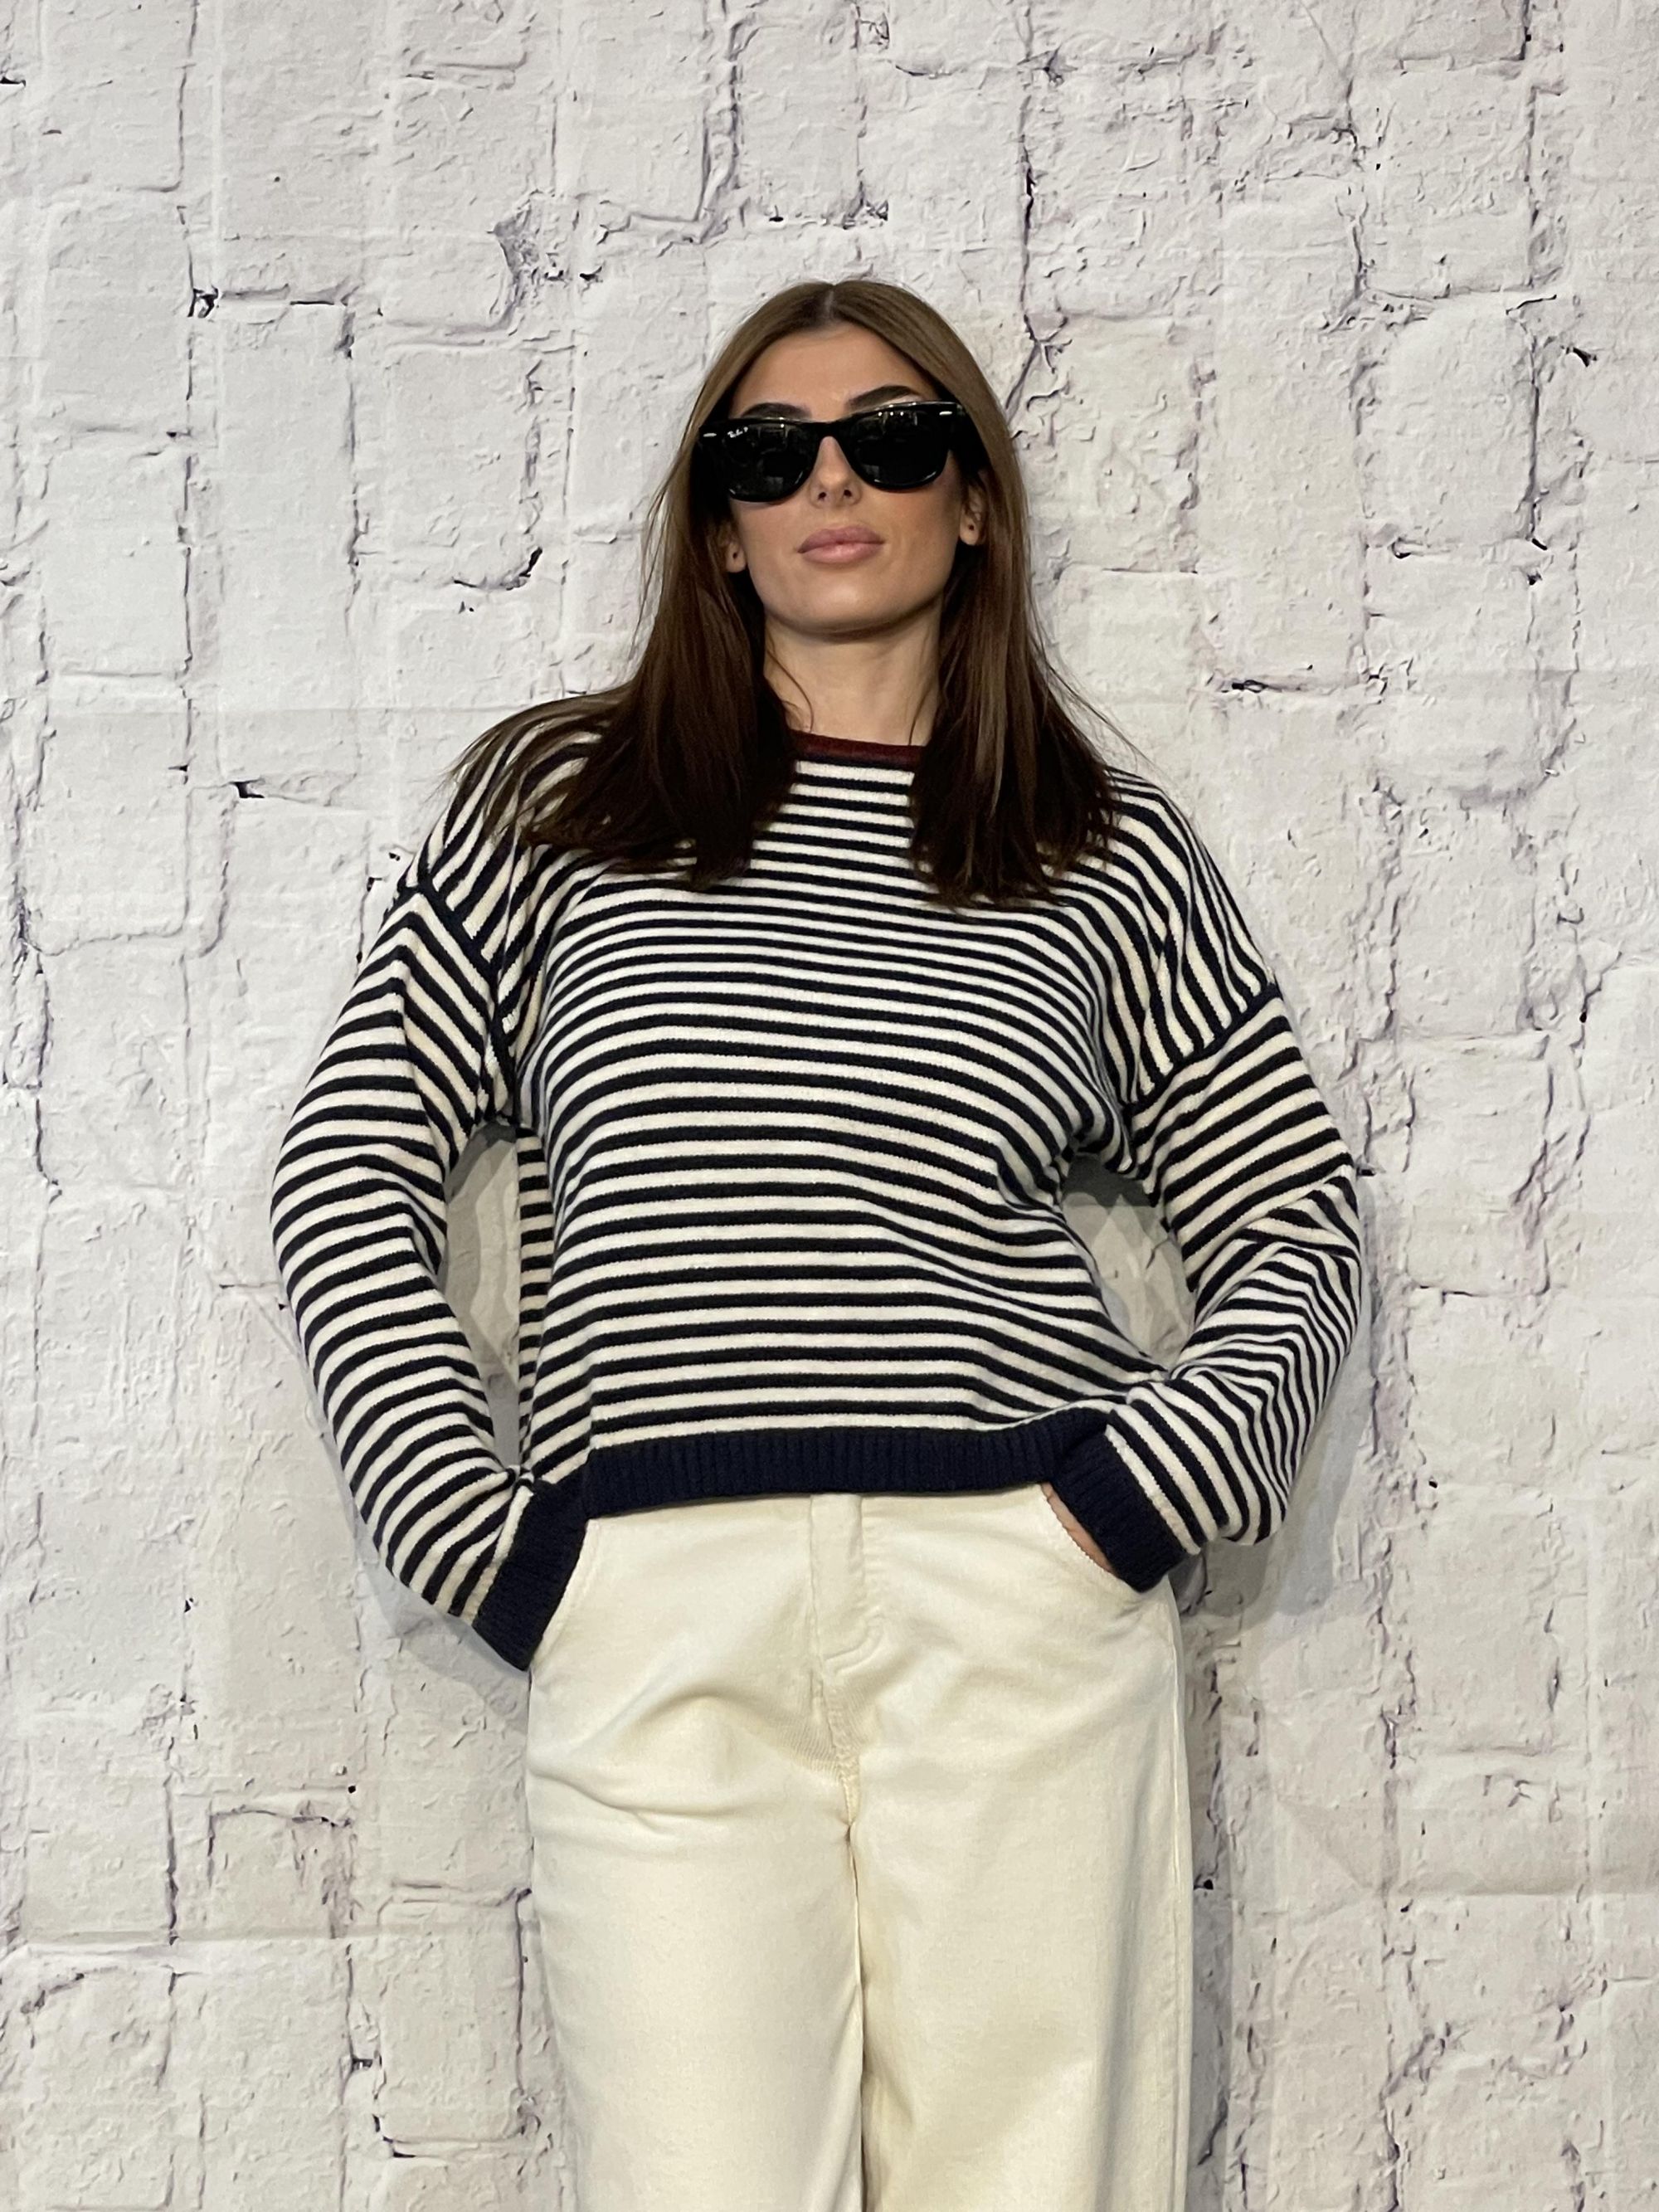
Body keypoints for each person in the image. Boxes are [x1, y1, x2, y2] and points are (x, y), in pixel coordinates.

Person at [269, 277, 1365, 2212]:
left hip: (1015, 1600)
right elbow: (353, 1154)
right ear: (717, 523)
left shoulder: (1097, 849)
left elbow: (1289, 1206)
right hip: (656, 1605)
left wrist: (1132, 1501)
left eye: (892, 438)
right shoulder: (562, 810)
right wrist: (487, 1541)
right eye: (767, 454)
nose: (829, 483)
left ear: (973, 498)